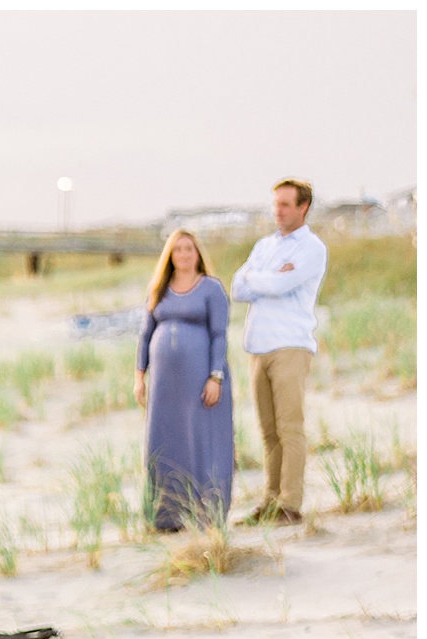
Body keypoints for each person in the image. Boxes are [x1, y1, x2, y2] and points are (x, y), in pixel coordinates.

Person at [230, 178, 329, 525]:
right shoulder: (264, 246)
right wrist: (265, 276)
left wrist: (262, 278)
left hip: (290, 344)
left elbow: (281, 284)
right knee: (268, 431)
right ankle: (269, 501)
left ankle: (290, 504)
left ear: (303, 207)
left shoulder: (311, 248)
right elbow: (237, 287)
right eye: (275, 205)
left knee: (290, 427)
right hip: (258, 346)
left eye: (285, 204)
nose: (278, 211)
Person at [134, 229, 234, 531]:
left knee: (202, 441)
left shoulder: (211, 289)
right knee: (164, 440)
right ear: (170, 255)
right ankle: (166, 515)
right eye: (177, 249)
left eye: (189, 248)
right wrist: (140, 375)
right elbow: (145, 335)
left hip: (201, 381)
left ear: (197, 253)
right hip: (164, 386)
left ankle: (208, 513)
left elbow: (219, 336)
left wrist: (215, 376)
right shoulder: (159, 290)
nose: (184, 254)